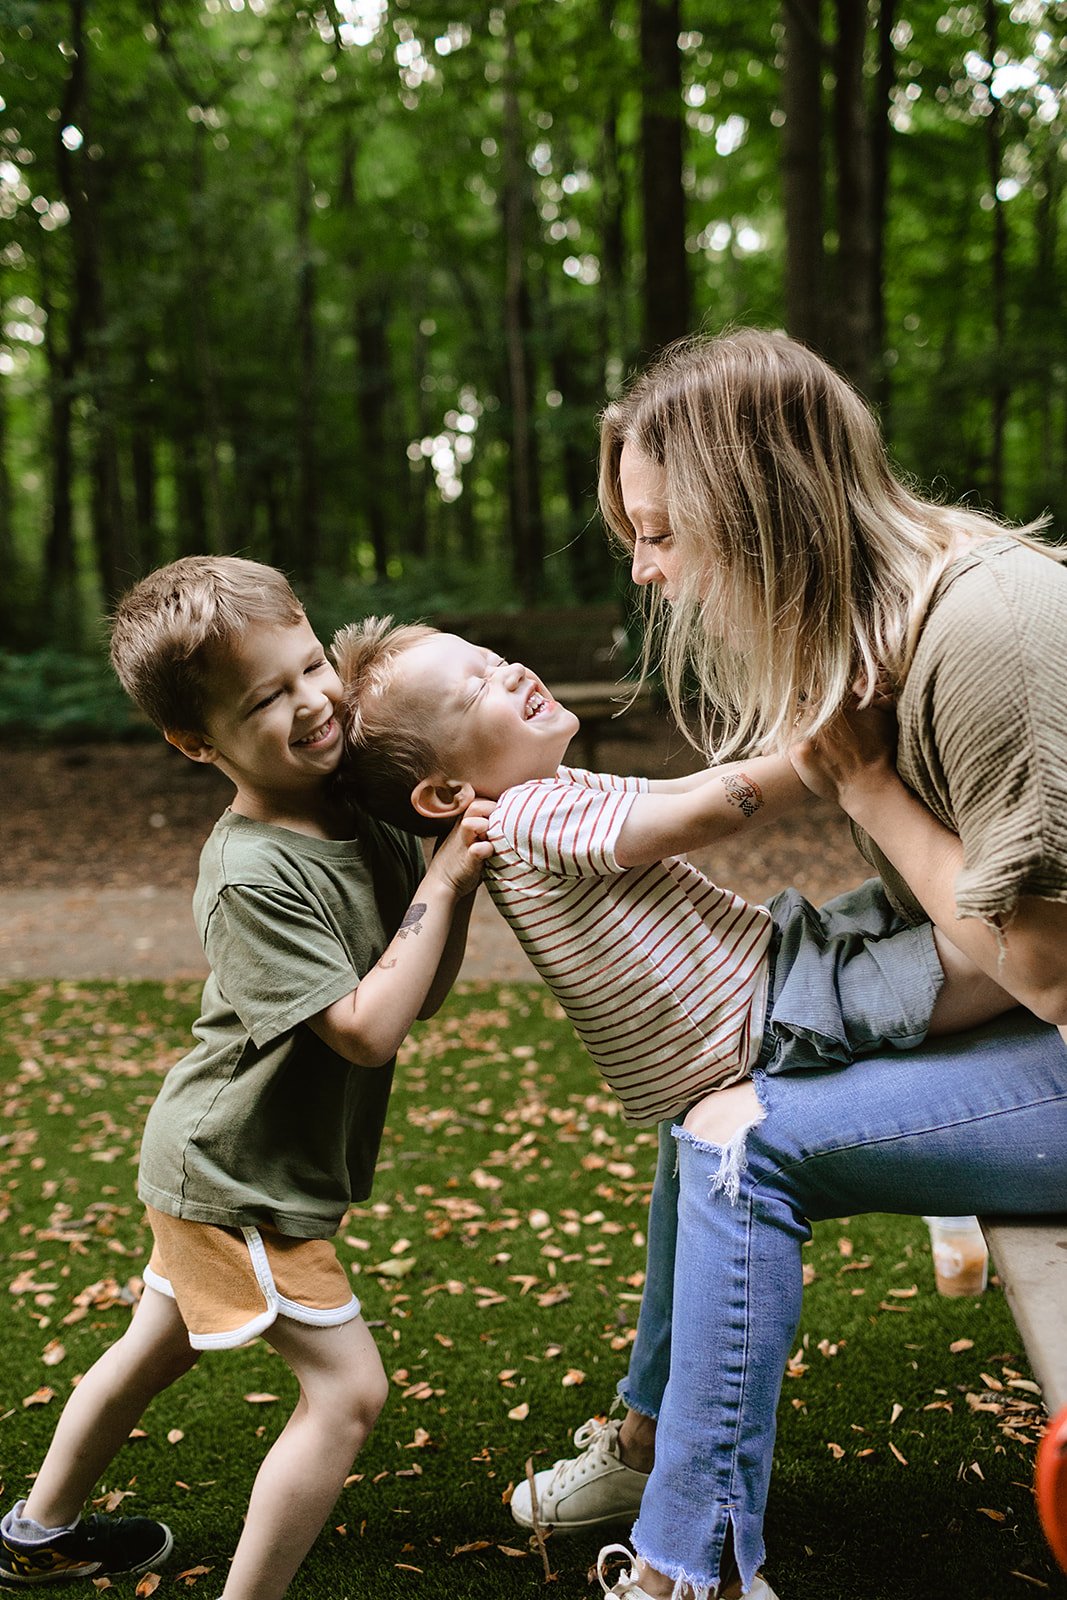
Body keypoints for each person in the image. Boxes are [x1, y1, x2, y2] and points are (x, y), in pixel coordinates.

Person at [510, 329, 1067, 1600]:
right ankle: (654, 1447)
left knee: (737, 1139)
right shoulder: (910, 610)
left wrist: (863, 782)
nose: (646, 573)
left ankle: (687, 1569)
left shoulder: (985, 632)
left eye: (657, 532)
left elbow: (1046, 976)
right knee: (714, 1089)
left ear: (756, 504)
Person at [0, 557, 490, 1600]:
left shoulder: (365, 814)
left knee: (154, 1343)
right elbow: (363, 1030)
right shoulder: (251, 874)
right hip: (237, 1180)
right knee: (349, 1393)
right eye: (265, 697)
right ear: (195, 741)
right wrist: (443, 882)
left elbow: (422, 989)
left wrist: (446, 871)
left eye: (310, 665)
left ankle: (38, 1531)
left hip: (241, 1164)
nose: (312, 700)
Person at [333, 615, 1013, 1121]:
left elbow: (687, 790)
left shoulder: (548, 794)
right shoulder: (523, 817)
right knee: (996, 956)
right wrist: (826, 762)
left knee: (889, 899)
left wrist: (806, 736)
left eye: (493, 659)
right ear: (448, 793)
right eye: (475, 689)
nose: (508, 672)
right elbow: (698, 818)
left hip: (764, 974)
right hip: (754, 1021)